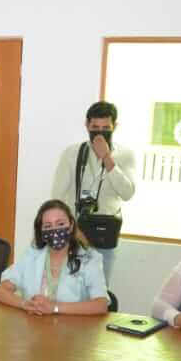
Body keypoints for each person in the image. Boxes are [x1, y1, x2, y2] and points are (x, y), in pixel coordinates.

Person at [49, 101, 136, 283]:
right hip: (75, 233)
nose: (100, 132)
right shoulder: (72, 153)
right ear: (87, 125)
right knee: (69, 289)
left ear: (115, 126)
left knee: (99, 293)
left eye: (106, 127)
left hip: (105, 233)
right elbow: (57, 197)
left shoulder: (125, 155)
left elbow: (127, 193)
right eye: (95, 127)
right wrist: (72, 229)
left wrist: (107, 158)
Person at [0, 199, 109, 316]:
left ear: (71, 226)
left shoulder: (89, 258)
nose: (55, 230)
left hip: (73, 331)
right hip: (35, 328)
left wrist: (55, 308)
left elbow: (101, 304)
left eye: (60, 224)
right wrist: (25, 304)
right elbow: (0, 291)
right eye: (48, 226)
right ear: (41, 232)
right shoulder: (32, 255)